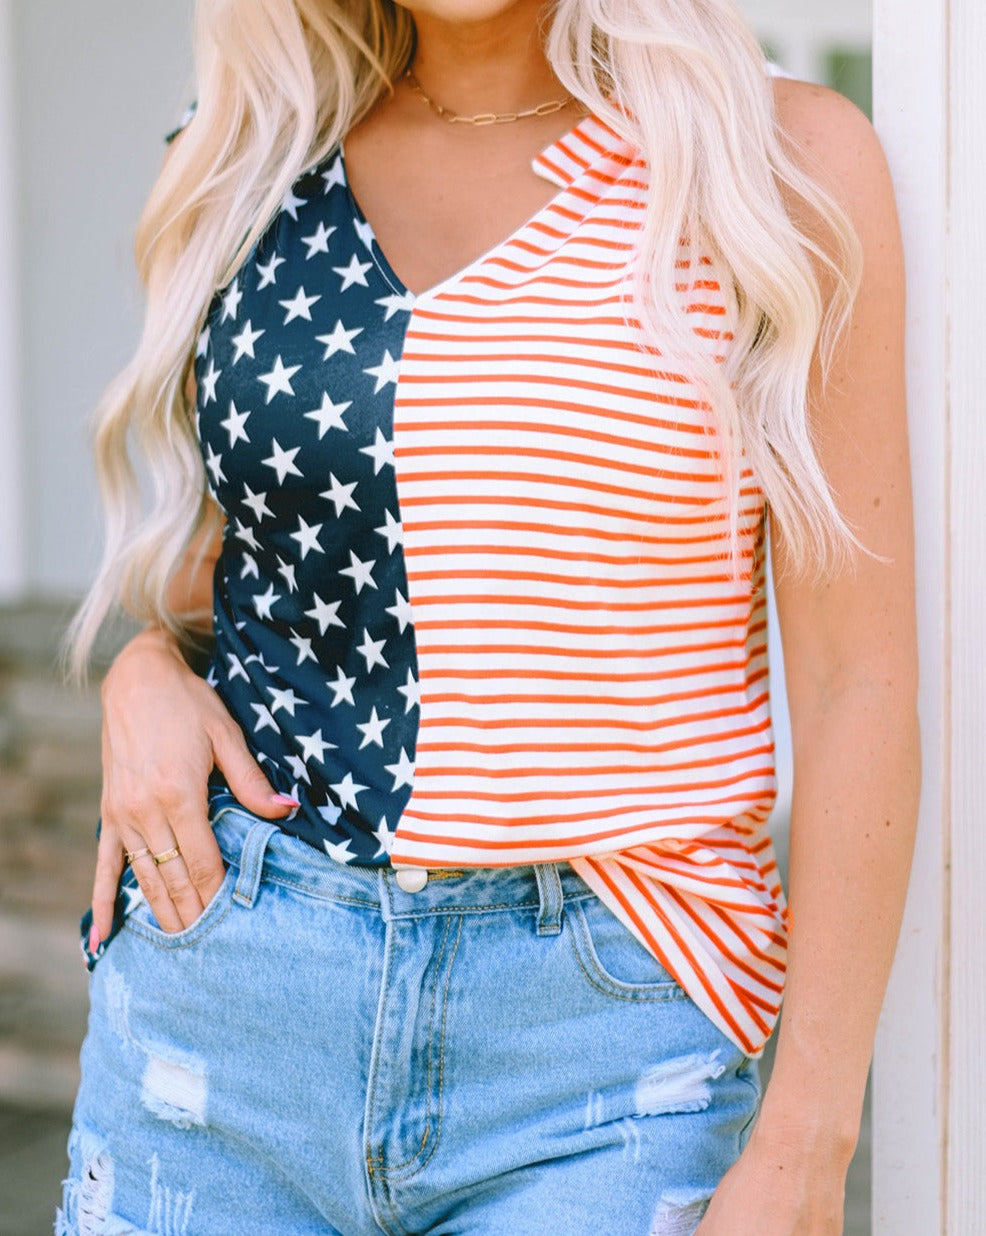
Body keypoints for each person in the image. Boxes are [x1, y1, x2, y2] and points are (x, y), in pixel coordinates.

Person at [57, 1, 918, 1233]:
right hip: (227, 994)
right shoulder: (243, 154)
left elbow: (859, 684)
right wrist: (144, 666)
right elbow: (246, 567)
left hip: (600, 1053)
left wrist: (805, 1144)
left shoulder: (774, 164)